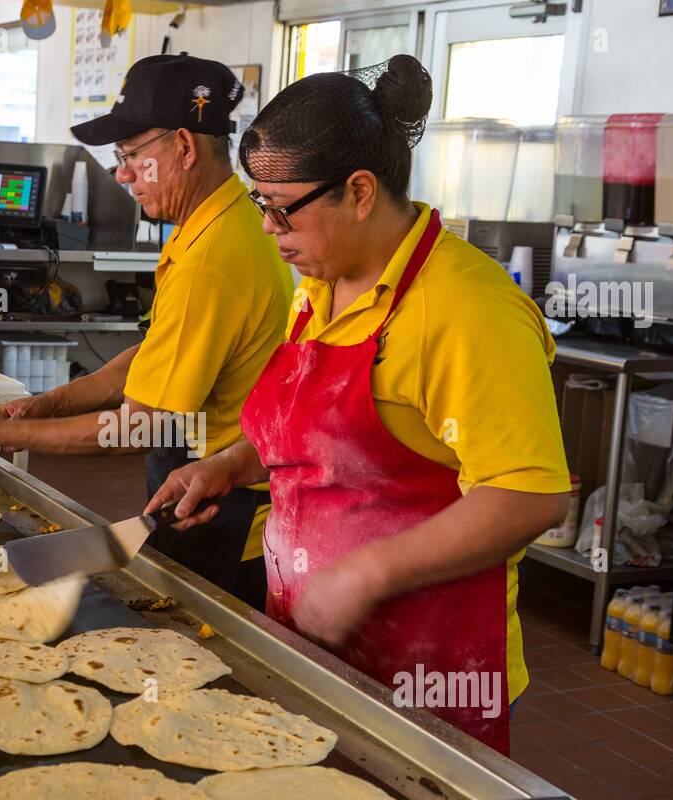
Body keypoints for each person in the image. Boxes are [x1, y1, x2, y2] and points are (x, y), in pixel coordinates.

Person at [146, 57, 571, 755]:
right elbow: (315, 432)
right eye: (259, 205)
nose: (267, 228)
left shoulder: (467, 310)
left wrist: (367, 574)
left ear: (361, 191)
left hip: (428, 670)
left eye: (281, 208)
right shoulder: (322, 282)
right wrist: (226, 464)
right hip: (316, 643)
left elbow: (529, 496)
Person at [0, 54, 292, 609]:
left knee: (194, 645)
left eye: (131, 155)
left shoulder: (213, 258)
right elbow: (154, 355)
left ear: (184, 146)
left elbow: (136, 428)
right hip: (199, 480)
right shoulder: (218, 223)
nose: (122, 173)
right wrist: (45, 405)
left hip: (225, 505)